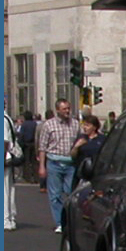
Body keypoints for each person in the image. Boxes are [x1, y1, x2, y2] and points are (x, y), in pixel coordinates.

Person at [37, 98, 81, 233]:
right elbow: (42, 147)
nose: (67, 111)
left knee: (70, 193)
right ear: (57, 110)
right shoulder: (48, 125)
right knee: (55, 195)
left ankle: (69, 220)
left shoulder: (75, 124)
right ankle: (60, 222)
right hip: (54, 162)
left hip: (70, 164)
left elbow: (80, 141)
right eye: (64, 109)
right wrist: (42, 166)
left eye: (68, 108)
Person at [4, 102, 18, 231]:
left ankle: (6, 219)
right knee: (8, 189)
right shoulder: (7, 118)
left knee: (4, 190)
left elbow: (4, 141)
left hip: (4, 159)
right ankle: (10, 217)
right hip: (7, 158)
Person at [18, 111, 38, 183]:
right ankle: (36, 177)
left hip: (26, 144)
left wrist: (20, 143)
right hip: (33, 144)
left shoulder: (24, 124)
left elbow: (21, 135)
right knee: (34, 162)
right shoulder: (34, 124)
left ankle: (27, 177)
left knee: (26, 161)